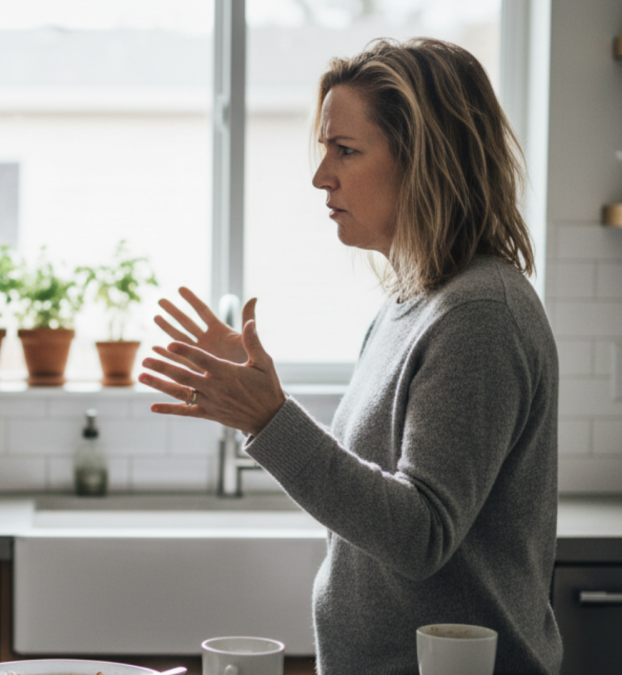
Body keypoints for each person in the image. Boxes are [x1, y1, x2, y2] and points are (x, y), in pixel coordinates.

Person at [140, 38, 561, 674]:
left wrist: (269, 419)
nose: (321, 176)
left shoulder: (479, 314)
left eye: (346, 150)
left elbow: (421, 535)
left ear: (425, 160)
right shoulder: (411, 305)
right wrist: (263, 409)